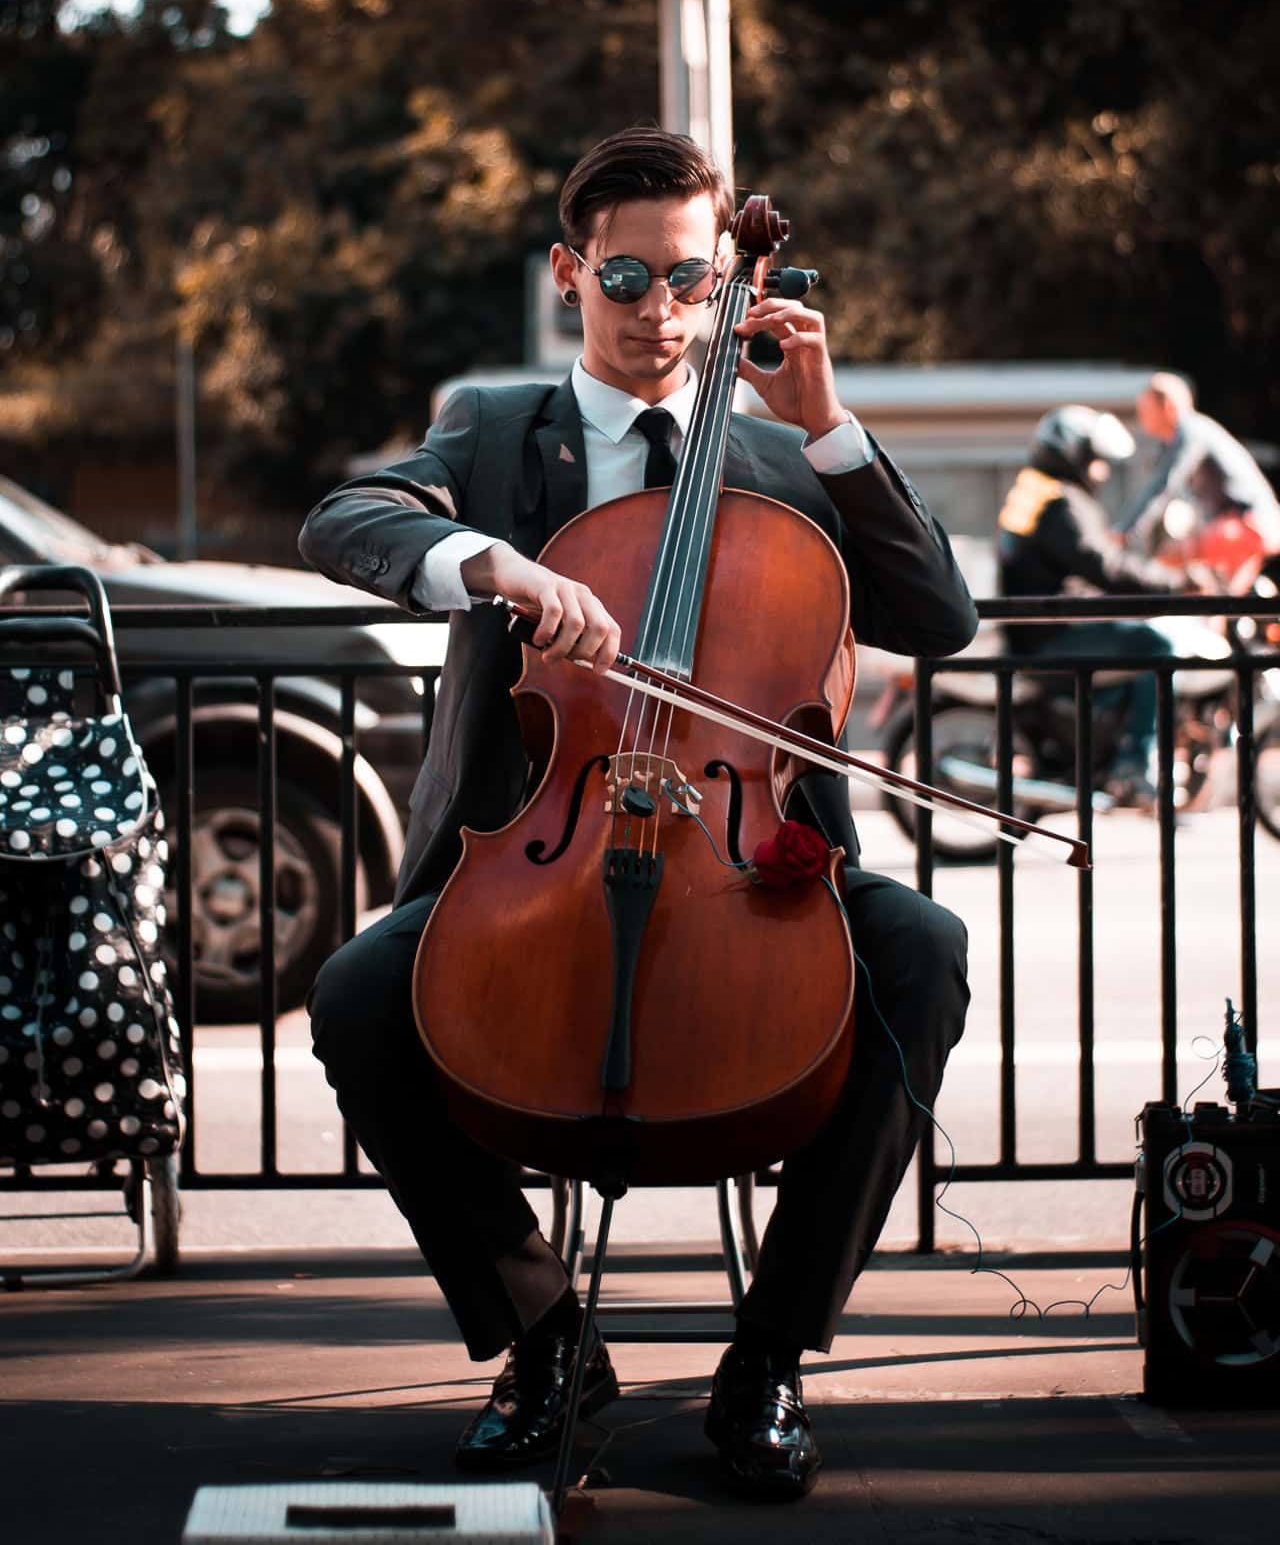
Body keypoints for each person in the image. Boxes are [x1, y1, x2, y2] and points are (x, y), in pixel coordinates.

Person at [298, 126, 976, 1502]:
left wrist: (834, 429)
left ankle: (770, 1357)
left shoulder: (788, 463)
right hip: (536, 859)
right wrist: (481, 558)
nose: (661, 312)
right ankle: (547, 1340)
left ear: (730, 281)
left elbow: (939, 618)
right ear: (568, 272)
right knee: (361, 988)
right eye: (626, 276)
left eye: (692, 279)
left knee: (925, 950)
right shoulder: (494, 433)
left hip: (752, 865)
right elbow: (345, 515)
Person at [997, 404, 1192, 801]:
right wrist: (1174, 583)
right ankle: (1136, 763)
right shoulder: (1060, 504)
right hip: (1051, 634)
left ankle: (1108, 741)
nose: (1100, 470)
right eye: (1095, 459)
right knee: (1156, 645)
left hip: (1038, 630)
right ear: (1073, 455)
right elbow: (1103, 564)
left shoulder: (1037, 493)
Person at [1121, 372, 1280, 590]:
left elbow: (1162, 485)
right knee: (1225, 597)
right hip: (1260, 523)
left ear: (1167, 406)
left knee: (1169, 561)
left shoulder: (1190, 430)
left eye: (1145, 409)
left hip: (1247, 524)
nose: (1141, 418)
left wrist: (1125, 530)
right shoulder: (1192, 432)